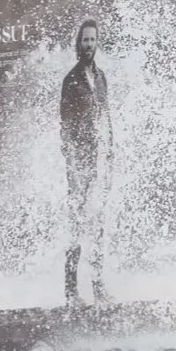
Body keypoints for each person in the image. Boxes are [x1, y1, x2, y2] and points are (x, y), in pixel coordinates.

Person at [58, 17, 113, 304]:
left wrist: (111, 157)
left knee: (99, 224)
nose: (88, 44)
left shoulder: (101, 77)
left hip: (99, 160)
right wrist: (72, 166)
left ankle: (99, 286)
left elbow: (106, 119)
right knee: (77, 225)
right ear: (78, 43)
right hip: (78, 163)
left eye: (92, 39)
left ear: (97, 42)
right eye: (84, 40)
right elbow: (64, 127)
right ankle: (71, 290)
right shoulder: (71, 80)